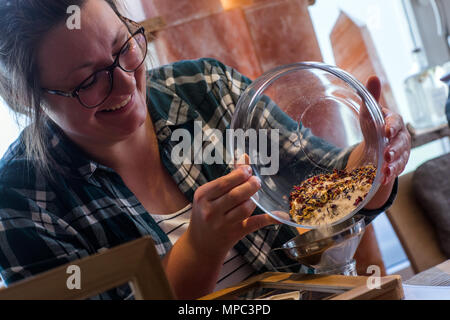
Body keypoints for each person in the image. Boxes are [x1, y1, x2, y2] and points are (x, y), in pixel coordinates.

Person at [0, 0, 411, 299]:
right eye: (89, 80)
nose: (125, 84)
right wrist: (199, 249)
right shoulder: (20, 200)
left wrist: (377, 159)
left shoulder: (205, 88)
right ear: (28, 99)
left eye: (124, 48)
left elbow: (325, 184)